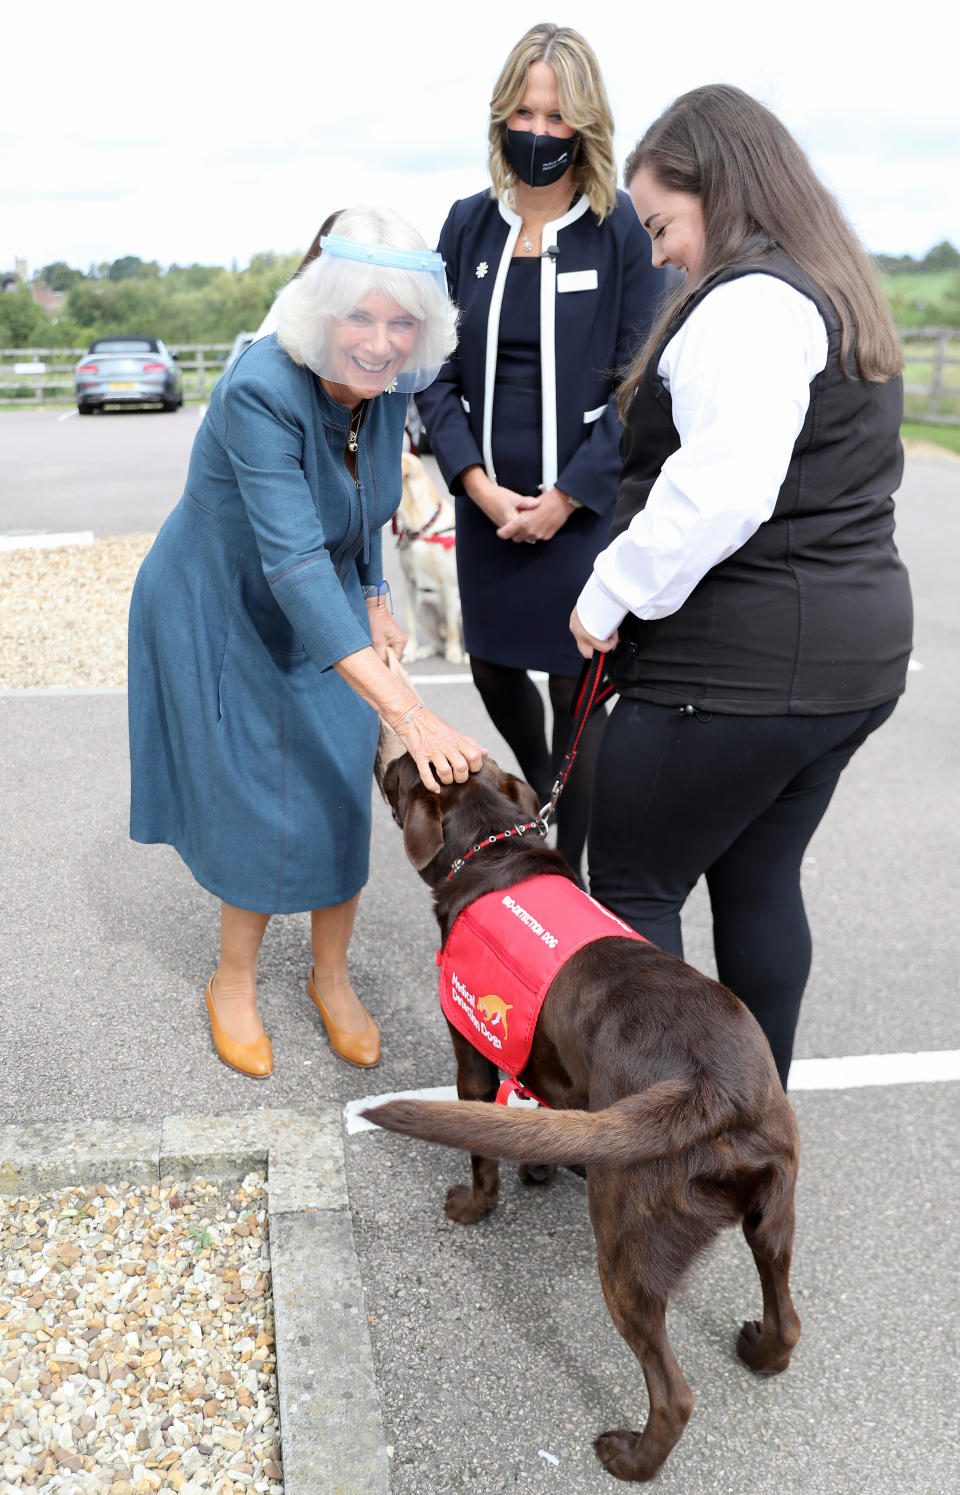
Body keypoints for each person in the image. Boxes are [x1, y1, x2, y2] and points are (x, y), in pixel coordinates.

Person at [570, 84, 913, 1090]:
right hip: (850, 666)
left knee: (633, 884)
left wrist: (605, 595)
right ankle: (749, 1127)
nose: (662, 252)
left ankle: (653, 1153)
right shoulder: (832, 288)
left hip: (736, 674)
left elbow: (722, 487)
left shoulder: (751, 304)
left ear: (716, 189)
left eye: (663, 224)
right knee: (760, 880)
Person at [128, 205, 486, 1080]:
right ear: (319, 310)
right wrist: (411, 711)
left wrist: (370, 590)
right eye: (360, 316)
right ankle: (234, 980)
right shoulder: (260, 389)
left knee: (334, 783)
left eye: (401, 321)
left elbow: (363, 500)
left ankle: (331, 977)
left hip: (321, 596)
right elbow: (289, 564)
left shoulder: (392, 377)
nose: (379, 340)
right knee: (254, 794)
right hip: (226, 596)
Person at [415, 22, 660, 877]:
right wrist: (476, 485)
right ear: (500, 117)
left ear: (585, 126)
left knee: (576, 688)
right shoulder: (465, 227)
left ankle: (568, 868)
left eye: (558, 117)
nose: (540, 132)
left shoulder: (620, 229)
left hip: (582, 507)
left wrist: (568, 497)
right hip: (489, 501)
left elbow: (641, 379)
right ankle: (547, 789)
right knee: (490, 664)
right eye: (525, 112)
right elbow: (431, 373)